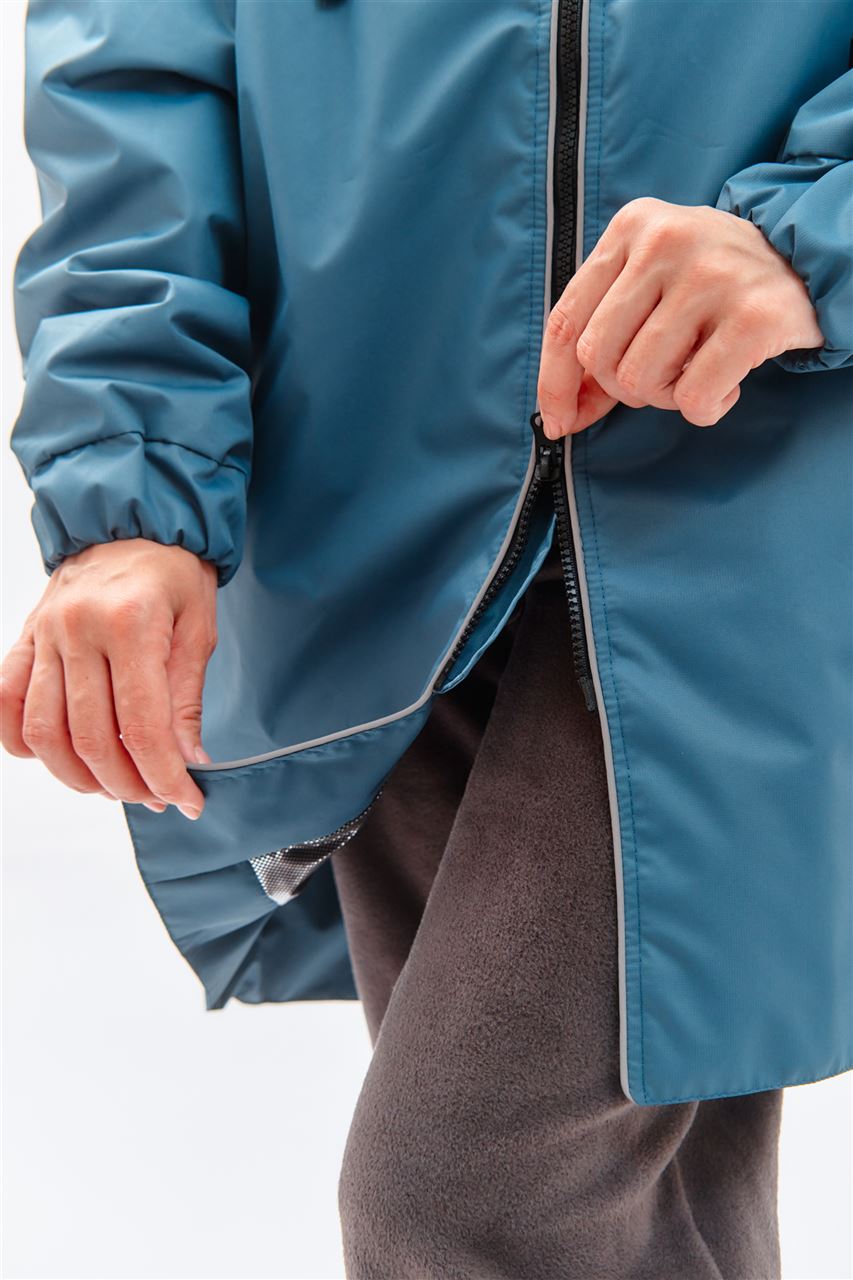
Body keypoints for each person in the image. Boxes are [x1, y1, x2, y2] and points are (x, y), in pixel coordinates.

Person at [3, 1, 851, 1275]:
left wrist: (817, 222)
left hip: (763, 464)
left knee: (466, 1196)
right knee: (634, 1216)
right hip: (373, 501)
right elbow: (136, 72)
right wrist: (133, 483)